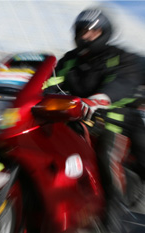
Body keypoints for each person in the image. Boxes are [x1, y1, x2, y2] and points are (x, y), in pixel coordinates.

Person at [44, 8, 145, 230]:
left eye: (93, 30)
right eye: (82, 30)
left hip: (114, 119)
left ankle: (113, 214)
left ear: (105, 33)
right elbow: (49, 81)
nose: (86, 35)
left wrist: (102, 98)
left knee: (106, 157)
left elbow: (124, 82)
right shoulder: (69, 60)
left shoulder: (119, 57)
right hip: (75, 116)